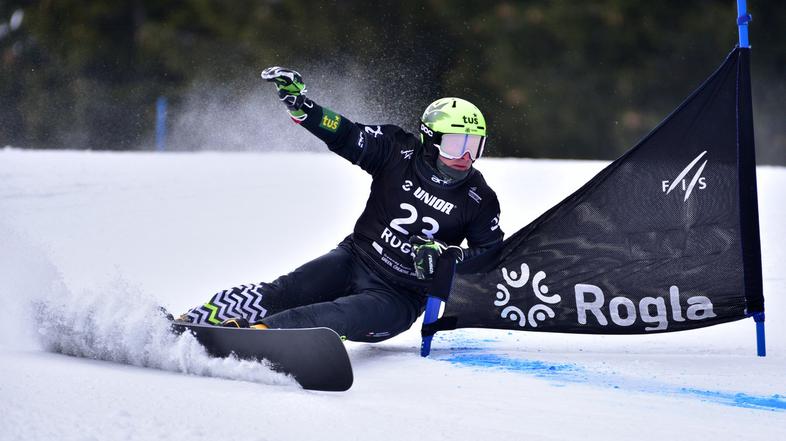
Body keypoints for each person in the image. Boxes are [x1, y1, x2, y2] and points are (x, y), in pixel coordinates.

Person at [177, 67, 504, 342]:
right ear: (429, 139)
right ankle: (192, 320)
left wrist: (449, 256)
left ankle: (259, 336)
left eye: (474, 146)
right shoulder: (396, 150)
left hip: (399, 298)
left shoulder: (479, 198)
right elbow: (346, 134)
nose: (464, 157)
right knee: (287, 290)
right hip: (355, 259)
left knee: (336, 315)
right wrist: (305, 110)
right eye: (455, 144)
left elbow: (491, 257)